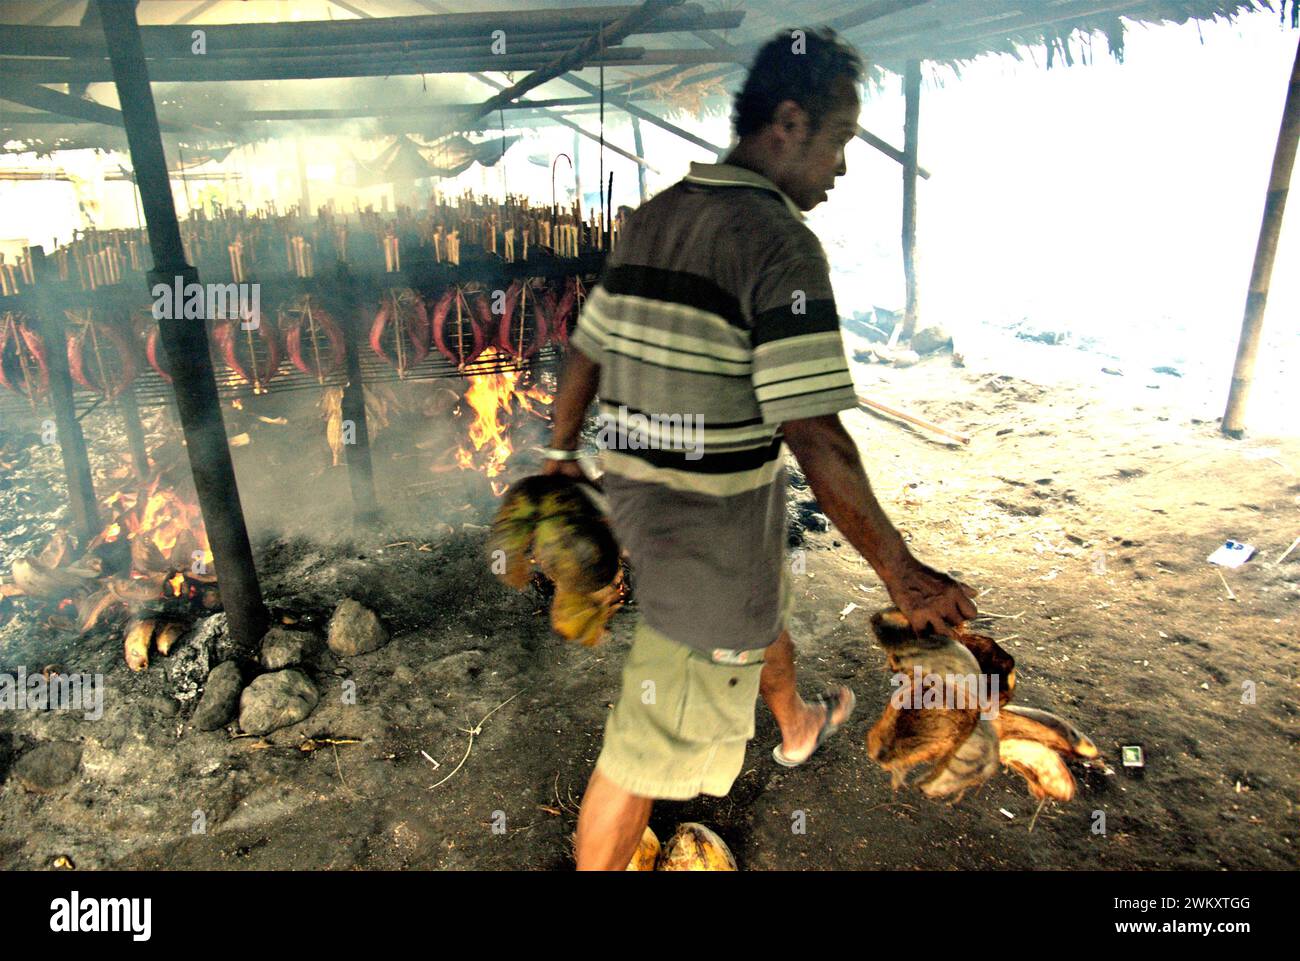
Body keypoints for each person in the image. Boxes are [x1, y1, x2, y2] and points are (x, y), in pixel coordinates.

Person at [543, 27, 977, 871]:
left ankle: (796, 722)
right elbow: (814, 432)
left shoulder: (656, 216)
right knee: (642, 749)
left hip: (648, 499)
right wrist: (903, 573)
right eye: (841, 140)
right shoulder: (780, 244)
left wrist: (561, 458)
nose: (843, 167)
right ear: (787, 122)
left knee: (758, 597)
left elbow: (585, 349)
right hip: (703, 536)